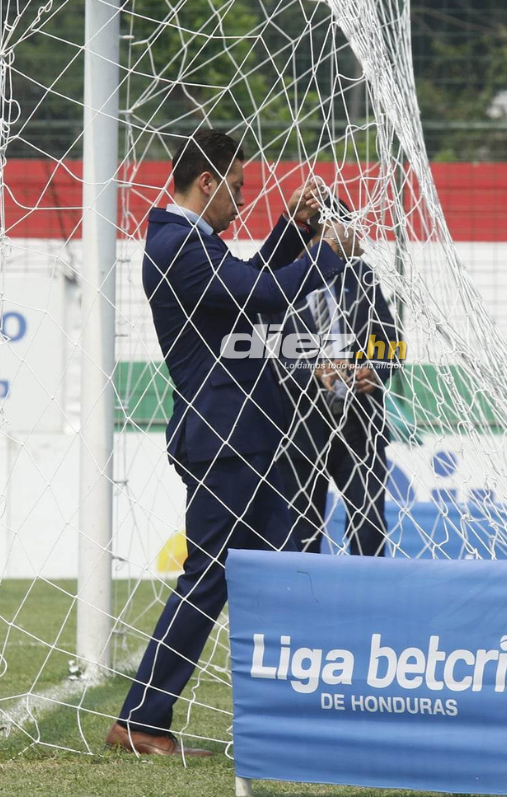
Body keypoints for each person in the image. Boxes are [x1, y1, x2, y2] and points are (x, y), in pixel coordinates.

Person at [106, 129, 360, 758]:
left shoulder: (193, 244)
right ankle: (141, 720)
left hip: (247, 439)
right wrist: (328, 250)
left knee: (279, 567)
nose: (241, 202)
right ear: (207, 183)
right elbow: (266, 296)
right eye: (238, 189)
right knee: (213, 576)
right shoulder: (174, 247)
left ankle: (292, 720)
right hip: (225, 442)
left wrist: (294, 229)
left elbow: (246, 280)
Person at [268, 200, 402, 557]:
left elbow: (392, 343)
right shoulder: (275, 279)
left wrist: (375, 369)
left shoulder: (362, 277)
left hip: (360, 426)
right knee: (302, 534)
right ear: (322, 231)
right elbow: (259, 354)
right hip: (300, 430)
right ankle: (305, 610)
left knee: (369, 528)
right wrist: (313, 369)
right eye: (347, 227)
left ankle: (368, 606)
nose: (356, 235)